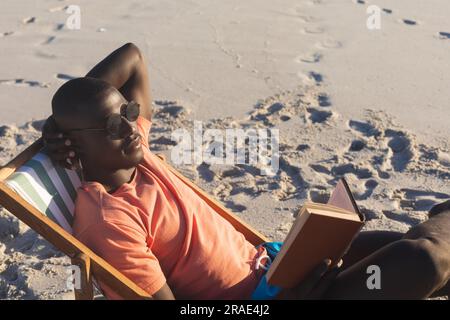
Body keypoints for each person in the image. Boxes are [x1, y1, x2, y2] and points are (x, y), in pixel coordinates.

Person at [43, 43, 450, 300]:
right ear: (78, 147)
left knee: (404, 250)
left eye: (129, 113)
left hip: (277, 264)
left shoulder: (133, 154)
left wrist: (55, 123)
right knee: (421, 260)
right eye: (114, 124)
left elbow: (132, 57)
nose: (132, 127)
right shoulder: (109, 221)